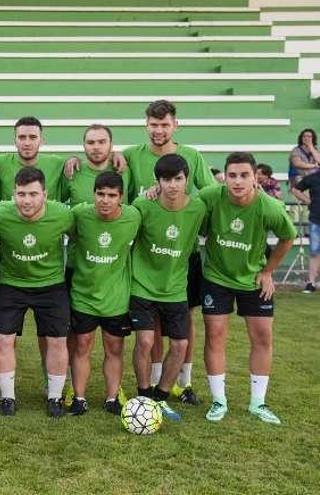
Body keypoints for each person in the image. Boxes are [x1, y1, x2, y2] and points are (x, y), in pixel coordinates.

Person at [121, 99, 216, 405]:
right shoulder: (132, 155)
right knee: (149, 334)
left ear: (175, 125)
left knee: (184, 324)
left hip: (181, 256)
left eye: (165, 124)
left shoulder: (192, 155)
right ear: (146, 125)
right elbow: (112, 182)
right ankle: (148, 390)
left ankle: (182, 384)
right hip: (147, 253)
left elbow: (209, 194)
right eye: (153, 124)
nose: (159, 130)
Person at [201, 152, 296, 425]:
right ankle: (219, 401)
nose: (238, 181)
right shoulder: (212, 196)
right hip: (216, 277)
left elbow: (288, 237)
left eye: (244, 175)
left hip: (252, 279)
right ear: (225, 178)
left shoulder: (269, 207)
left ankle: (258, 403)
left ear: (256, 178)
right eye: (232, 175)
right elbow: (183, 203)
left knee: (263, 337)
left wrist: (267, 271)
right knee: (215, 335)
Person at [0, 167, 73, 417]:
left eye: (33, 194)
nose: (27, 200)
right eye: (21, 194)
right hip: (12, 285)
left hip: (51, 285)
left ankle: (55, 396)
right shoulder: (0, 213)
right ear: (14, 194)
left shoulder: (63, 215)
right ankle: (8, 397)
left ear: (45, 194)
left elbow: (84, 229)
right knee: (4, 339)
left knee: (57, 340)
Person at [129, 154, 207, 422]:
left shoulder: (198, 208)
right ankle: (143, 394)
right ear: (157, 181)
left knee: (180, 344)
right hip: (142, 286)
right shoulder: (143, 205)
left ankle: (160, 397)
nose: (172, 185)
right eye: (166, 179)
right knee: (145, 341)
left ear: (187, 180)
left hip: (175, 288)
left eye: (178, 179)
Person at [69, 172, 140, 416]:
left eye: (111, 195)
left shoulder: (133, 216)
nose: (105, 200)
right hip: (83, 295)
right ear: (94, 194)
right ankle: (79, 398)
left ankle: (112, 398)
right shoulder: (79, 215)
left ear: (121, 197)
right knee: (82, 345)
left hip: (116, 298)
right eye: (100, 194)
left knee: (114, 348)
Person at [62, 124, 131, 206]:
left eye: (102, 142)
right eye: (90, 143)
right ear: (84, 146)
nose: (96, 147)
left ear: (111, 145)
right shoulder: (72, 172)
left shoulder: (124, 170)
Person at [291, 166, 320, 293]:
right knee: (314, 252)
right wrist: (308, 201)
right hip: (316, 219)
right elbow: (296, 189)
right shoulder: (312, 178)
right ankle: (311, 283)